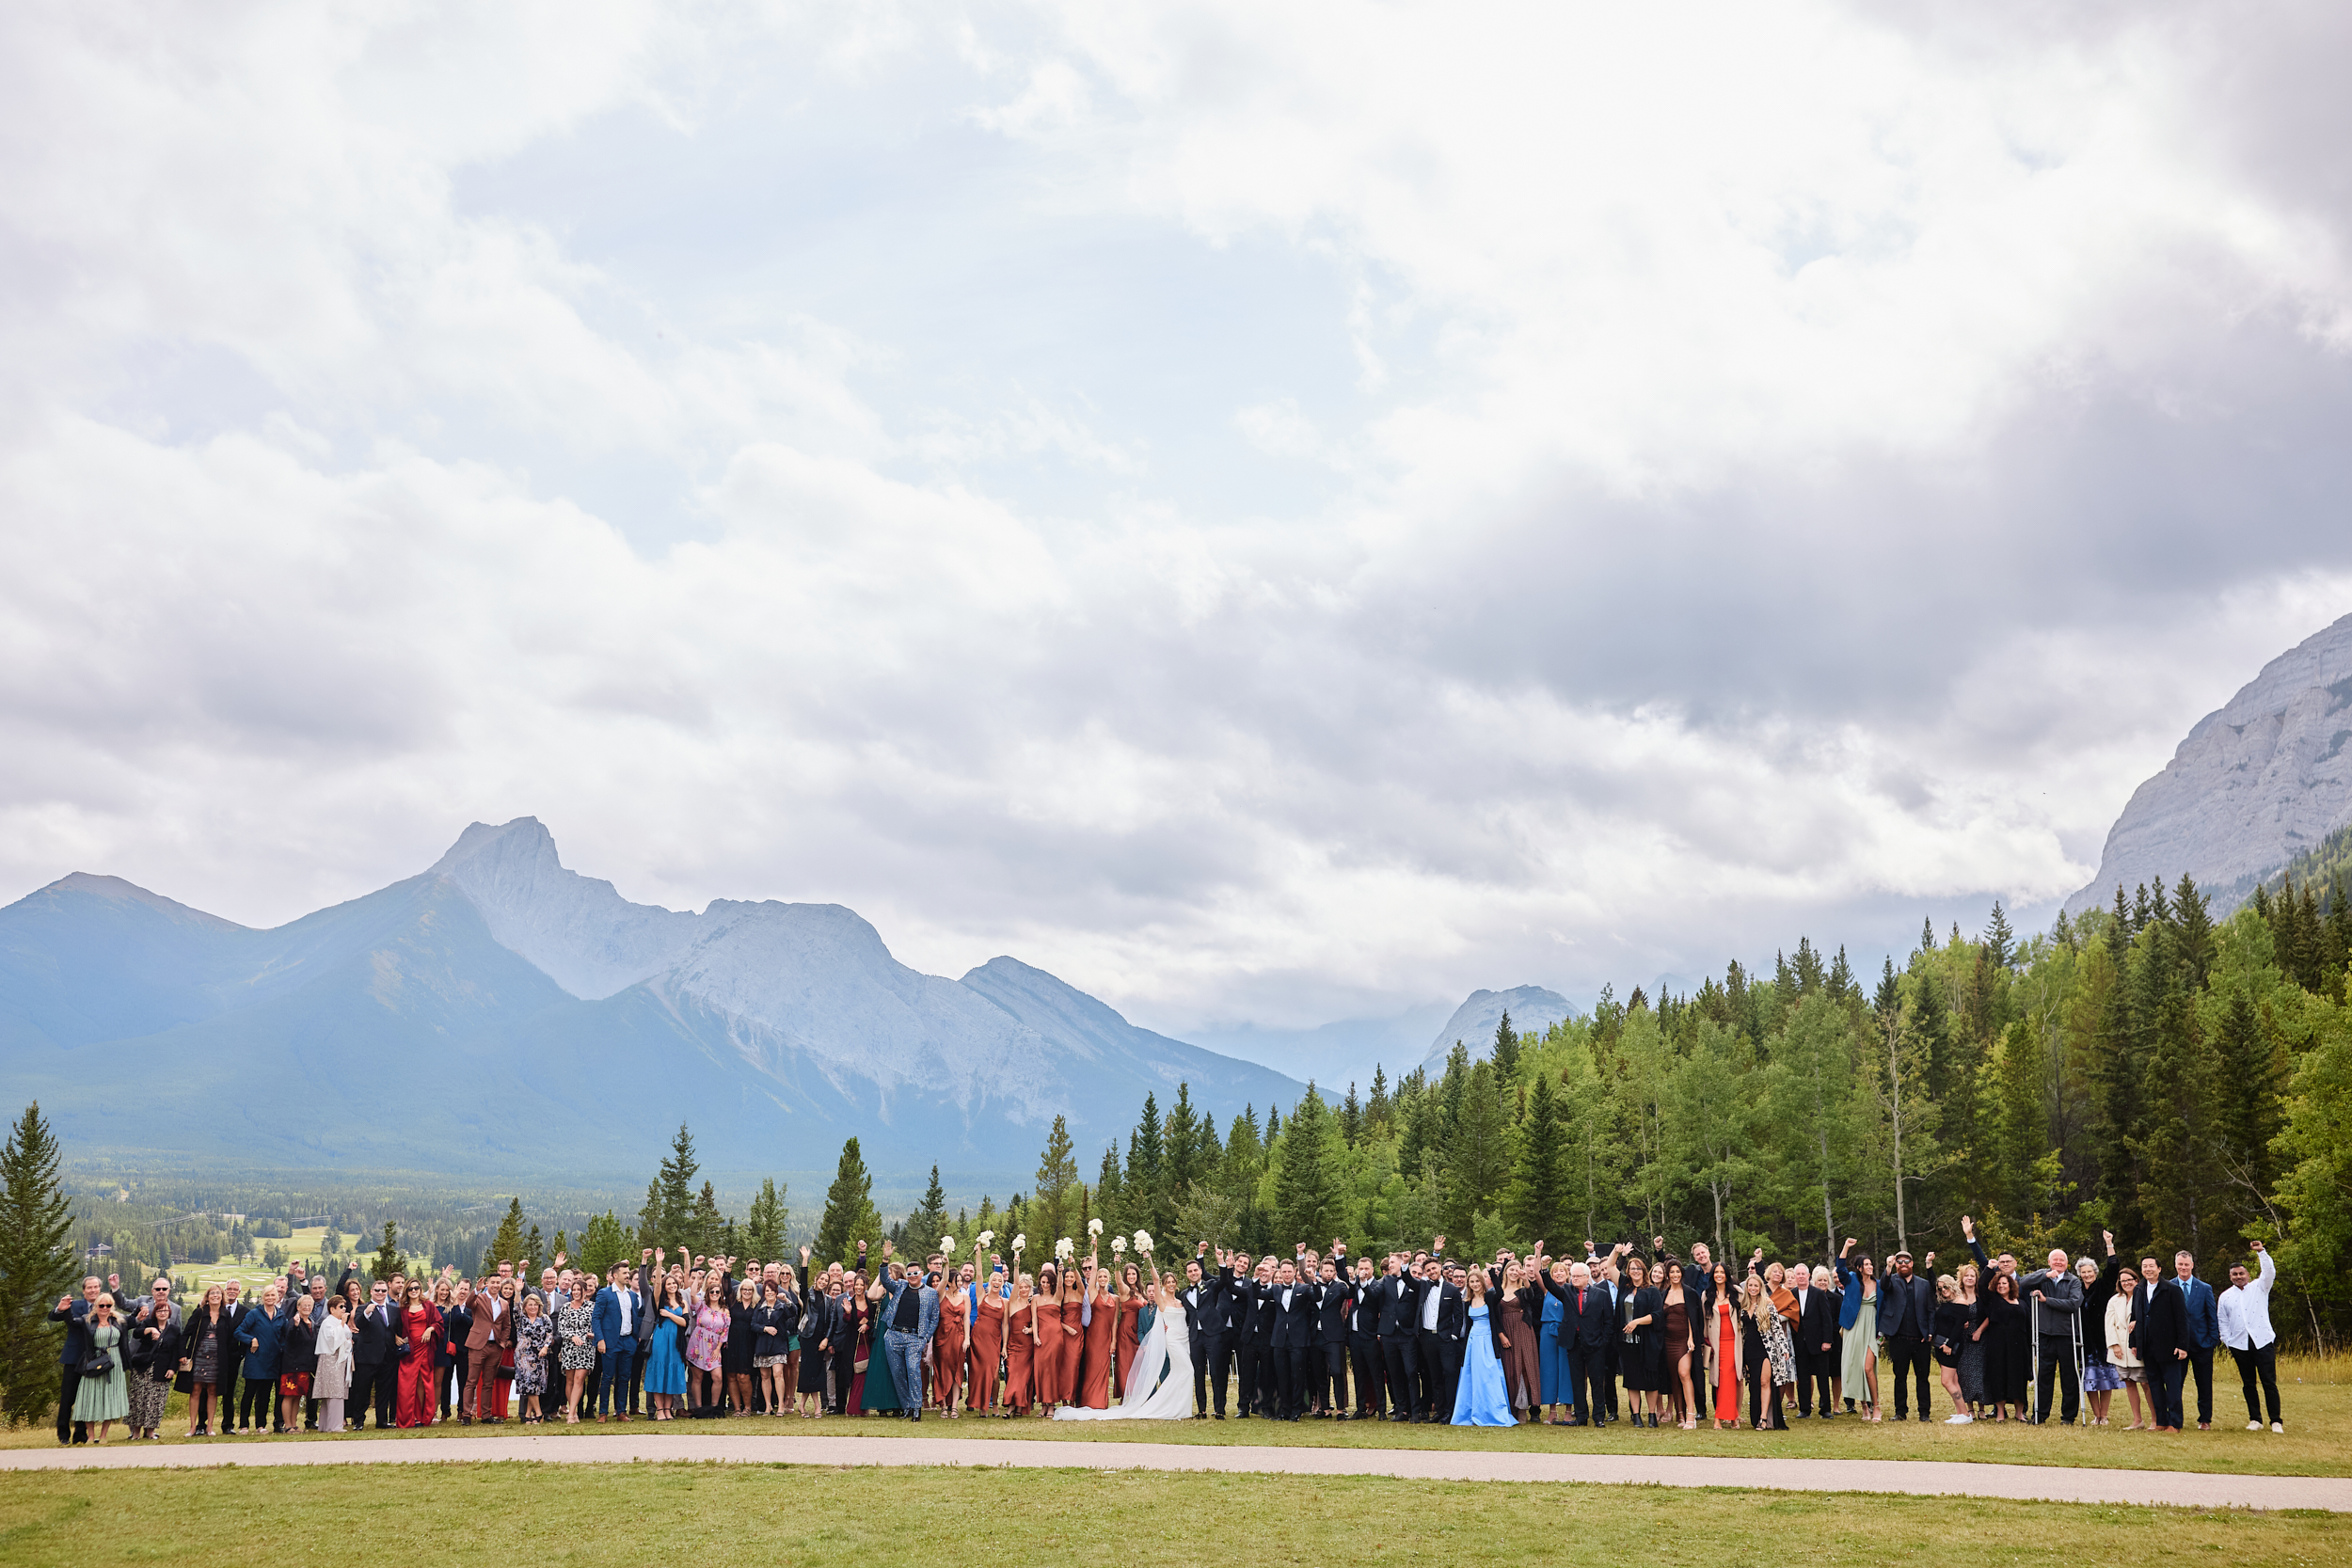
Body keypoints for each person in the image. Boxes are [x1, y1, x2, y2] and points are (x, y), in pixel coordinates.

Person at [1051, 1261, 1194, 1421]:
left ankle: (1144, 1398)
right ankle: (1117, 1399)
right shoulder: (1122, 1291)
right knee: (1124, 1368)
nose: (1131, 1276)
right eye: (1129, 1274)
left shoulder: (1140, 1294)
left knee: (1141, 1368)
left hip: (1140, 1333)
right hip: (1123, 1333)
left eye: (1134, 1274)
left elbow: (1152, 1312)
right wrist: (1116, 1264)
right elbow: (1117, 1281)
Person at [870, 1242, 938, 1421]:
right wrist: (885, 1260)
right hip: (893, 1335)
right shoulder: (900, 1286)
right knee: (898, 1372)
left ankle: (917, 1408)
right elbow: (885, 1280)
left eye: (916, 1273)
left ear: (922, 1274)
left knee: (913, 1370)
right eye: (910, 1273)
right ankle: (906, 1406)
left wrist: (925, 1338)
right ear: (906, 1275)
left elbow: (934, 1318)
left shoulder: (930, 1293)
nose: (913, 1276)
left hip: (915, 1337)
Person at [2218, 1241, 2281, 1433]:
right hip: (2239, 1346)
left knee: (2268, 1382)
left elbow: (2269, 1271)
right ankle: (2255, 1419)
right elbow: (2222, 1321)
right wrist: (2228, 1342)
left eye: (2241, 1273)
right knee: (2248, 1384)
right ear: (2230, 1277)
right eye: (2235, 1274)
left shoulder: (2260, 1287)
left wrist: (2261, 1252)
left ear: (2248, 1274)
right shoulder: (2225, 1296)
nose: (2239, 1277)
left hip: (2262, 1342)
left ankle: (2276, 1421)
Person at [2017, 1248, 2085, 1425]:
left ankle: (2068, 1417)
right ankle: (2039, 1415)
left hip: (2066, 1334)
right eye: (2055, 1260)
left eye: (2062, 1260)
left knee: (2069, 1377)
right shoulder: (2042, 1278)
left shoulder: (2073, 1281)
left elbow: (2074, 1303)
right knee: (2044, 1377)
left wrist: (2047, 1301)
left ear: (2067, 1263)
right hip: (2045, 1334)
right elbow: (2023, 1282)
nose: (2058, 1263)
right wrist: (2045, 1275)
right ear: (2049, 1262)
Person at [1447, 1263, 1513, 1426]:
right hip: (1473, 1341)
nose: (1475, 1284)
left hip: (1488, 1340)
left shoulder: (1490, 1297)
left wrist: (1492, 1272)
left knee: (1489, 1375)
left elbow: (1500, 1292)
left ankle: (1493, 1412)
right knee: (1472, 1376)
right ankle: (1471, 1411)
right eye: (1472, 1282)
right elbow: (1468, 1324)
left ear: (1482, 1282)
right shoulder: (1467, 1301)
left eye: (1477, 1281)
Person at [1877, 1247, 1937, 1422]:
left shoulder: (1923, 1284)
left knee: (1923, 1378)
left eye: (1906, 1262)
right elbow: (1883, 1285)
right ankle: (1900, 1412)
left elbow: (1931, 1310)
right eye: (1899, 1262)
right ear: (1896, 1265)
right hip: (1898, 1338)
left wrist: (1931, 1332)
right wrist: (1887, 1268)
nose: (1903, 1264)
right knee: (1900, 1377)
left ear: (1912, 1264)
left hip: (1921, 1339)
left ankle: (1924, 1413)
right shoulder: (1891, 1281)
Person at [2135, 1253, 2192, 1433]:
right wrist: (2134, 1343)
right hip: (2148, 1347)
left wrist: (2183, 1345)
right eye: (2145, 1266)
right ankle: (2161, 1421)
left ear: (2159, 1269)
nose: (2148, 1269)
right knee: (2155, 1386)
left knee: (2173, 1387)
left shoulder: (2172, 1289)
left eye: (2151, 1266)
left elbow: (2182, 1319)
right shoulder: (2139, 1289)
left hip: (2169, 1347)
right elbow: (2135, 1317)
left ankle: (2175, 1423)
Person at [2076, 1236, 2126, 1427]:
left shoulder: (2103, 1286)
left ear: (2095, 1272)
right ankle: (2095, 1415)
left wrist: (2109, 1244)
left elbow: (2113, 1267)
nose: (2087, 1274)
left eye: (2090, 1271)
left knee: (2105, 1379)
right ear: (2080, 1274)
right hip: (2084, 1340)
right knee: (2089, 1379)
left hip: (2103, 1339)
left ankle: (2104, 1415)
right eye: (2084, 1272)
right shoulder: (2077, 1289)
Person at [125, 1275, 181, 1441]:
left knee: (156, 1401)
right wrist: (149, 1330)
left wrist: (173, 1367)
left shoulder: (174, 1329)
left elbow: (177, 1349)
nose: (163, 1313)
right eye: (160, 1310)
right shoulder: (147, 1322)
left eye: (165, 1311)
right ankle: (135, 1432)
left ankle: (150, 1432)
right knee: (138, 1399)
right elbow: (135, 1332)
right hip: (143, 1366)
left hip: (162, 1368)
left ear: (170, 1312)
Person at [2172, 1250, 2221, 1431]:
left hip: (2202, 1344)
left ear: (2192, 1265)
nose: (2183, 1267)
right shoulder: (2169, 1286)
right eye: (2180, 1264)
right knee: (2175, 1383)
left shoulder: (2205, 1288)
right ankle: (2175, 1418)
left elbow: (2212, 1317)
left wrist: (2212, 1341)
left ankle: (2205, 1419)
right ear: (2175, 1265)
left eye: (2186, 1264)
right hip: (2178, 1346)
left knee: (2204, 1384)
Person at [71, 1291, 129, 1443]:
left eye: (108, 1305)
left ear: (112, 1306)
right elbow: (71, 1322)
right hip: (94, 1361)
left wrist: (147, 1323)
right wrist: (63, 1309)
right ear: (95, 1306)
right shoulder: (87, 1321)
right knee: (89, 1397)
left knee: (110, 1397)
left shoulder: (119, 1320)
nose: (105, 1308)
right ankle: (91, 1435)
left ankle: (103, 1436)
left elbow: (136, 1320)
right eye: (101, 1305)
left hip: (114, 1362)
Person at [179, 1284, 233, 1437]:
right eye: (212, 1293)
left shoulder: (225, 1314)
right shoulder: (199, 1313)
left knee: (212, 1391)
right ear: (207, 1297)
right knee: (195, 1390)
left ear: (222, 1297)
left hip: (217, 1359)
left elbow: (230, 1338)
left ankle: (209, 1427)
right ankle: (192, 1427)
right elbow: (186, 1334)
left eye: (218, 1293)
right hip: (199, 1357)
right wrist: (183, 1353)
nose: (215, 1296)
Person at [1617, 1253, 1664, 1428]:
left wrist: (1637, 1321)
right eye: (1632, 1268)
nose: (1635, 1271)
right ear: (1628, 1271)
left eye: (1638, 1268)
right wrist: (1618, 1252)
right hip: (1628, 1343)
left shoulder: (1652, 1291)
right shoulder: (1625, 1288)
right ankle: (1636, 1416)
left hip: (1648, 1342)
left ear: (1644, 1271)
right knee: (1632, 1380)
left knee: (1650, 1380)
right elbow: (1609, 1268)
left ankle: (1652, 1415)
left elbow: (1657, 1315)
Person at [1835, 1241, 1880, 1421]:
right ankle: (1864, 1407)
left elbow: (1883, 1309)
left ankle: (1876, 1406)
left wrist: (1881, 1334)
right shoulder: (1851, 1279)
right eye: (1866, 1264)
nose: (1870, 1266)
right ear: (1860, 1268)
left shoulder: (1879, 1284)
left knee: (1868, 1367)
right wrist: (1846, 1246)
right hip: (1853, 1326)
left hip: (1871, 1327)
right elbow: (1840, 1268)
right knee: (1856, 1368)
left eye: (1871, 1264)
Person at [236, 1280, 288, 1435]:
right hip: (255, 1360)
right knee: (249, 1394)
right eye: (267, 1295)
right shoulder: (254, 1314)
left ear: (278, 1297)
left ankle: (261, 1425)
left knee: (264, 1396)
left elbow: (284, 1337)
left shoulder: (281, 1315)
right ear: (263, 1297)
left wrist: (281, 1349)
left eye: (273, 1295)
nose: (270, 1298)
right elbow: (239, 1332)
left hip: (272, 1362)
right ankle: (244, 1425)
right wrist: (251, 1339)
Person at [594, 1266, 643, 1422]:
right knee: (607, 1377)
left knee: (624, 1378)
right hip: (610, 1342)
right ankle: (603, 1413)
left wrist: (637, 1337)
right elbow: (596, 1318)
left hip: (628, 1341)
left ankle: (621, 1411)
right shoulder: (604, 1293)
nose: (628, 1275)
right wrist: (600, 1339)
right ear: (615, 1275)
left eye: (628, 1273)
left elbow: (636, 1317)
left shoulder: (632, 1296)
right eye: (625, 1273)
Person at [2105, 1257, 2146, 1429]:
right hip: (2120, 1349)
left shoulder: (2143, 1297)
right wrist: (2114, 1345)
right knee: (2129, 1382)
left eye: (2130, 1280)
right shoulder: (2115, 1300)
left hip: (2138, 1348)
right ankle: (2137, 1420)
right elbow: (2109, 1323)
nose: (2127, 1283)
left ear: (2136, 1280)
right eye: (2123, 1281)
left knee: (2146, 1382)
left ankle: (2156, 1419)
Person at [395, 1280, 442, 1428]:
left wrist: (431, 1329)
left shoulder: (428, 1305)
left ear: (420, 1289)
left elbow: (439, 1323)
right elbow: (394, 1326)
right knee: (407, 1384)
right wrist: (395, 1337)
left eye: (416, 1288)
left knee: (423, 1382)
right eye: (410, 1288)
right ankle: (408, 1417)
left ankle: (423, 1417)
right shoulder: (402, 1308)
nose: (414, 1290)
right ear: (406, 1291)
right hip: (409, 1351)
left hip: (425, 1349)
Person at [644, 1274, 689, 1419]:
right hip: (661, 1338)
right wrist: (658, 1263)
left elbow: (685, 1323)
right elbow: (656, 1285)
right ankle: (660, 1410)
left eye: (674, 1283)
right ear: (664, 1286)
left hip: (676, 1340)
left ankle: (668, 1409)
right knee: (659, 1371)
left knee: (672, 1374)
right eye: (668, 1284)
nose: (672, 1286)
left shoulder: (682, 1302)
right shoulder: (660, 1300)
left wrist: (669, 1315)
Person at [555, 1280, 596, 1426]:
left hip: (585, 1347)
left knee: (579, 1379)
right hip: (569, 1347)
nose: (576, 1292)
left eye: (579, 1289)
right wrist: (572, 1336)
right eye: (574, 1289)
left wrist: (593, 1334)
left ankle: (571, 1413)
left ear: (585, 1291)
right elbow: (561, 1327)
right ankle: (574, 1412)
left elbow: (597, 1324)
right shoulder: (566, 1307)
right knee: (570, 1380)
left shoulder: (592, 1307)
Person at [1661, 1260, 1695, 1429]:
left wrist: (1691, 1337)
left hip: (1684, 1339)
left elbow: (1692, 1317)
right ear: (1668, 1274)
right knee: (1674, 1377)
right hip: (1667, 1340)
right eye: (1672, 1272)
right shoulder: (1663, 1293)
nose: (1675, 1275)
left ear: (1682, 1273)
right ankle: (1680, 1415)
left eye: (1678, 1272)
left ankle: (1691, 1415)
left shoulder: (1689, 1292)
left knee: (1684, 1374)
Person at [1931, 1275, 1970, 1423]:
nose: (1943, 1290)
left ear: (1951, 1285)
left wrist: (1949, 1345)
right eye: (1940, 1288)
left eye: (1945, 1287)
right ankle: (1961, 1412)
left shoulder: (1961, 1303)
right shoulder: (1947, 1302)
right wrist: (1929, 1266)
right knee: (1953, 1380)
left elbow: (1958, 1326)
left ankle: (1966, 1415)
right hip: (1941, 1344)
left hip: (1951, 1346)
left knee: (1946, 1381)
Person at [687, 1281, 729, 1416]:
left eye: (717, 1292)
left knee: (717, 1376)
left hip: (714, 1346)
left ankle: (714, 1407)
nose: (715, 1294)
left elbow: (725, 1332)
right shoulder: (701, 1306)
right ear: (708, 1294)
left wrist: (718, 1349)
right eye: (712, 1292)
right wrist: (697, 1278)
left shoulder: (725, 1311)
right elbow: (692, 1294)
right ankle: (699, 1408)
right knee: (697, 1377)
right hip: (698, 1344)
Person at [313, 1294, 355, 1432]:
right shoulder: (328, 1322)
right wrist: (343, 1324)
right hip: (331, 1359)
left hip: (340, 1359)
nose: (344, 1309)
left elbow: (346, 1337)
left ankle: (326, 1425)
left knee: (334, 1392)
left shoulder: (336, 1322)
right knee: (334, 1392)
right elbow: (333, 1340)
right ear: (332, 1309)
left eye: (345, 1306)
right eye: (340, 1307)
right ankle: (335, 1425)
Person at [513, 1291, 553, 1423]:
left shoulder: (545, 1319)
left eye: (535, 1305)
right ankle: (539, 1413)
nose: (533, 1307)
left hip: (540, 1355)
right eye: (530, 1305)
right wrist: (518, 1291)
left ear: (539, 1306)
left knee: (535, 1386)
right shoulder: (521, 1319)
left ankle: (529, 1414)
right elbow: (516, 1306)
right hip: (523, 1357)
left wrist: (546, 1347)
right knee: (528, 1385)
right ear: (525, 1307)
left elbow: (549, 1335)